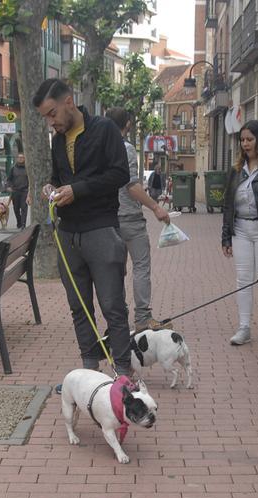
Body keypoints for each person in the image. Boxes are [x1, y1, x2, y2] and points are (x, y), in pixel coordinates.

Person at [33, 78, 133, 375]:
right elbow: (58, 177)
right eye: (45, 117)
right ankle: (90, 370)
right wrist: (51, 188)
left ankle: (123, 373)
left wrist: (78, 190)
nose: (50, 122)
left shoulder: (104, 129)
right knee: (78, 306)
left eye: (52, 114)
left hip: (101, 229)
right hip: (68, 232)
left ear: (69, 102)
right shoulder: (58, 140)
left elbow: (120, 174)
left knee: (112, 306)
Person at [105, 107, 171, 332]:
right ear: (128, 125)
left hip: (108, 219)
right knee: (141, 267)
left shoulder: (99, 149)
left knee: (116, 271)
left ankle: (118, 319)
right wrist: (155, 207)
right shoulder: (126, 149)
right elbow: (131, 185)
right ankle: (142, 318)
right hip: (130, 218)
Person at [221, 120, 258, 350]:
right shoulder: (236, 170)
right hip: (241, 231)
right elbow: (228, 204)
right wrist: (226, 236)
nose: (245, 144)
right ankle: (244, 328)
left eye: (250, 139)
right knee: (243, 280)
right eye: (242, 140)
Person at [8, 153, 29, 229]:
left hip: (25, 191)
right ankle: (19, 221)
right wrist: (9, 186)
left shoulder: (27, 168)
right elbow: (9, 179)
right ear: (17, 159)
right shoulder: (13, 168)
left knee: (24, 208)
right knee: (16, 208)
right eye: (19, 157)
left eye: (22, 157)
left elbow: (30, 180)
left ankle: (23, 224)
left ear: (24, 159)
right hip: (15, 191)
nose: (20, 159)